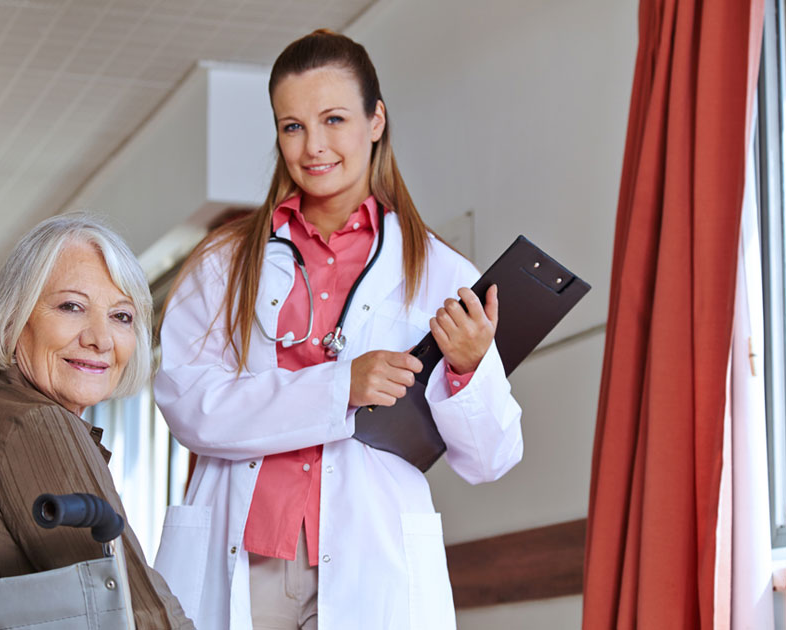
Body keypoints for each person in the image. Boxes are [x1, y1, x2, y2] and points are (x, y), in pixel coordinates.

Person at [153, 29, 523, 630]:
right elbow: (187, 405)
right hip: (249, 549)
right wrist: (338, 387)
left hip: (370, 555)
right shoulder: (224, 263)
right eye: (292, 126)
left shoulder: (442, 272)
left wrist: (469, 369)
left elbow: (490, 460)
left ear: (376, 120)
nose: (313, 146)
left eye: (333, 119)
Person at [0, 214, 193, 629]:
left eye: (121, 316)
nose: (101, 339)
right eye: (72, 307)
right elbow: (134, 614)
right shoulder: (34, 425)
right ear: (13, 321)